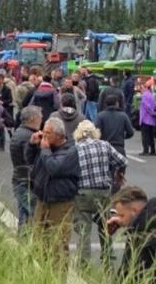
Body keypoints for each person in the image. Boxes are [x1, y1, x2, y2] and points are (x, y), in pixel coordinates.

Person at [27, 117, 80, 270]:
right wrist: (32, 145)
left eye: (47, 133)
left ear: (58, 135)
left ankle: (58, 278)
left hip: (60, 202)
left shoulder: (71, 151)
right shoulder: (46, 148)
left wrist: (44, 150)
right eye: (43, 132)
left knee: (58, 243)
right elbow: (29, 160)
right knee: (38, 240)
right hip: (42, 200)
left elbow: (54, 168)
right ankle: (42, 275)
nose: (44, 136)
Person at [73, 120, 128, 267]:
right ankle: (108, 255)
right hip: (103, 192)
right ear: (94, 132)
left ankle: (83, 262)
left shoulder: (75, 149)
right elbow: (123, 161)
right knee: (105, 225)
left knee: (84, 230)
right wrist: (118, 174)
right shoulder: (104, 145)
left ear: (78, 134)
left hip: (83, 193)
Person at [10, 105, 43, 232]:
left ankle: (23, 240)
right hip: (26, 181)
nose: (42, 118)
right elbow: (30, 158)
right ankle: (31, 241)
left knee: (24, 214)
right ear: (32, 118)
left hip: (20, 179)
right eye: (40, 116)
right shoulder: (29, 137)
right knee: (35, 214)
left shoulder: (19, 132)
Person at [139, 78, 156, 156]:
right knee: (151, 136)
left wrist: (151, 112)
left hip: (145, 119)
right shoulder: (152, 95)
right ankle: (153, 150)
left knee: (145, 136)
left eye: (142, 87)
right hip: (151, 120)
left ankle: (145, 150)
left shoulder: (145, 95)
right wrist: (154, 113)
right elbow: (155, 105)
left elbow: (146, 106)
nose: (141, 89)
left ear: (146, 87)